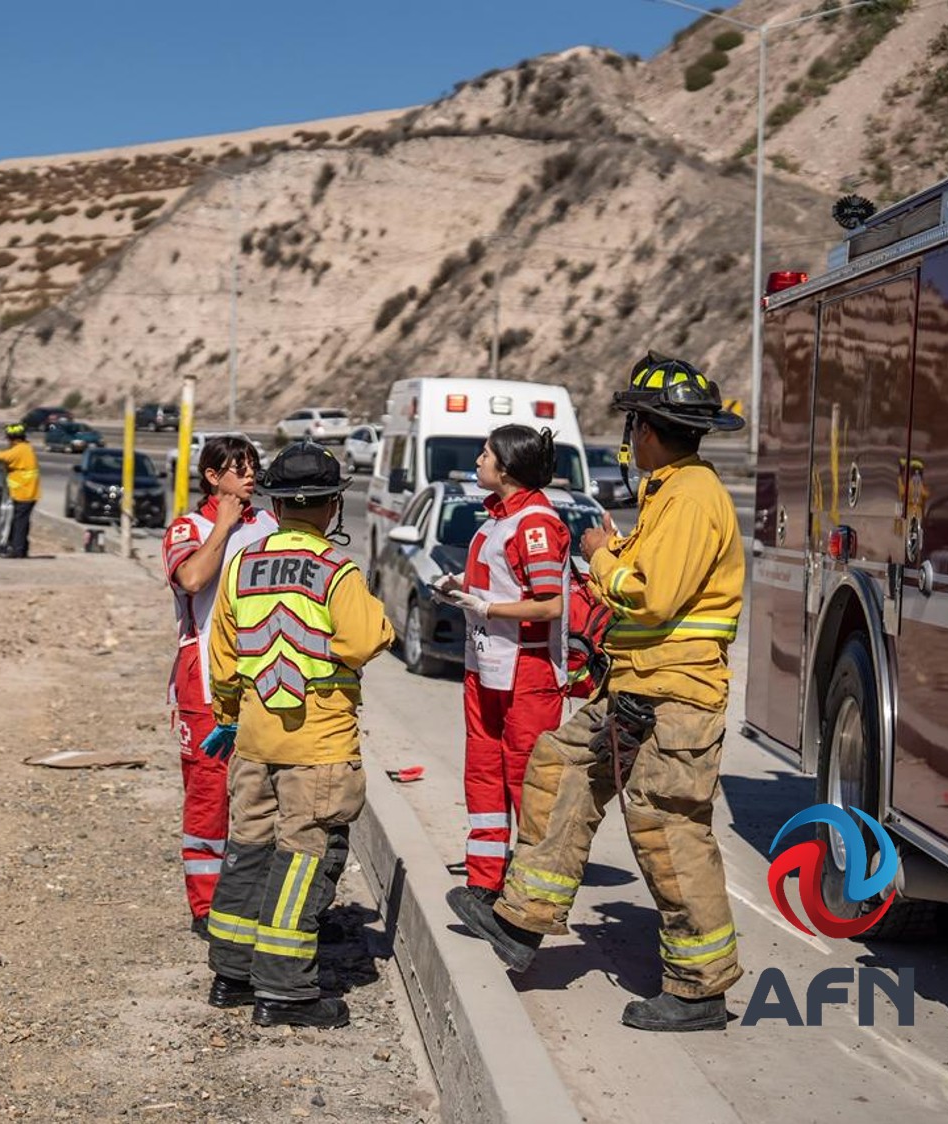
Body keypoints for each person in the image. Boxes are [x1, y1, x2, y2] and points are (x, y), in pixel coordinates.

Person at [446, 352, 747, 1034]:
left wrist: (600, 556)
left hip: (679, 696)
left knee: (668, 827)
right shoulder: (668, 492)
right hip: (638, 686)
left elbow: (654, 592)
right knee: (561, 764)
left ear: (648, 427)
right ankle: (521, 921)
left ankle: (699, 989)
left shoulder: (693, 496)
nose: (629, 435)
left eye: (632, 422)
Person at [202, 441, 394, 1030]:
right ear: (335, 505)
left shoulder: (242, 564)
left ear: (276, 505)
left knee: (248, 853)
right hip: (317, 742)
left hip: (256, 735)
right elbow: (365, 639)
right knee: (304, 859)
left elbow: (224, 658)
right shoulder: (338, 571)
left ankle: (231, 974)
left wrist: (230, 715)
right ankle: (285, 990)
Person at [431, 425, 570, 911]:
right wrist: (458, 587)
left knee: (526, 784)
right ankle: (483, 882)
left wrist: (486, 608)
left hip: (527, 671)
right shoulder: (495, 520)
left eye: (485, 453)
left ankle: (528, 901)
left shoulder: (534, 524)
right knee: (484, 775)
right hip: (486, 665)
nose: (477, 460)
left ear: (507, 466)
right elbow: (498, 581)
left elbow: (550, 605)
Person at [161, 437, 278, 934]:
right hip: (204, 680)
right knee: (209, 794)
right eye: (238, 468)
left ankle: (255, 898)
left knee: (262, 793)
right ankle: (206, 908)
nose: (249, 475)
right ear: (212, 476)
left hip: (264, 681)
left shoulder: (270, 525)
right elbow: (191, 578)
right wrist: (225, 527)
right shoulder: (190, 527)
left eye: (253, 466)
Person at [0, 423, 40, 558]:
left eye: (9, 439)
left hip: (23, 493)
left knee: (19, 523)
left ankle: (17, 550)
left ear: (13, 438)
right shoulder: (26, 448)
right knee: (23, 522)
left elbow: (2, 456)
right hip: (29, 492)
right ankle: (21, 548)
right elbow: (5, 454)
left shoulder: (18, 451)